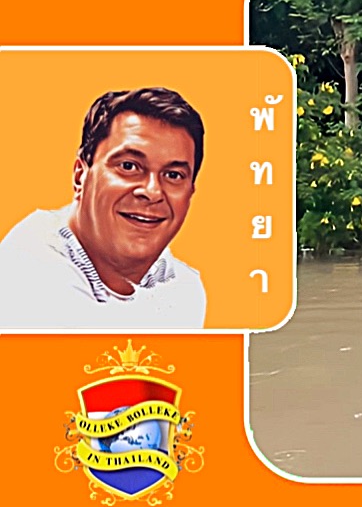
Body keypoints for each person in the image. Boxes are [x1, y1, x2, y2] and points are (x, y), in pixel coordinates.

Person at [0, 87, 207, 328]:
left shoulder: (185, 288)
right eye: (129, 166)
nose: (152, 192)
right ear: (80, 176)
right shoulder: (26, 269)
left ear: (190, 191)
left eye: (173, 174)